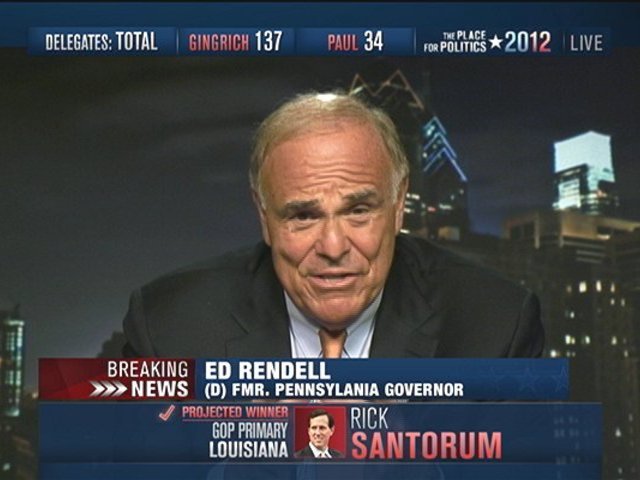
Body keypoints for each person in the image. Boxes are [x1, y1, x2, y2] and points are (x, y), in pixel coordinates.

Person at [122, 91, 543, 359]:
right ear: (264, 216)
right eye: (303, 216)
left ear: (399, 207)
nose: (333, 246)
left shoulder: (496, 327)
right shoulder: (169, 326)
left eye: (358, 211)